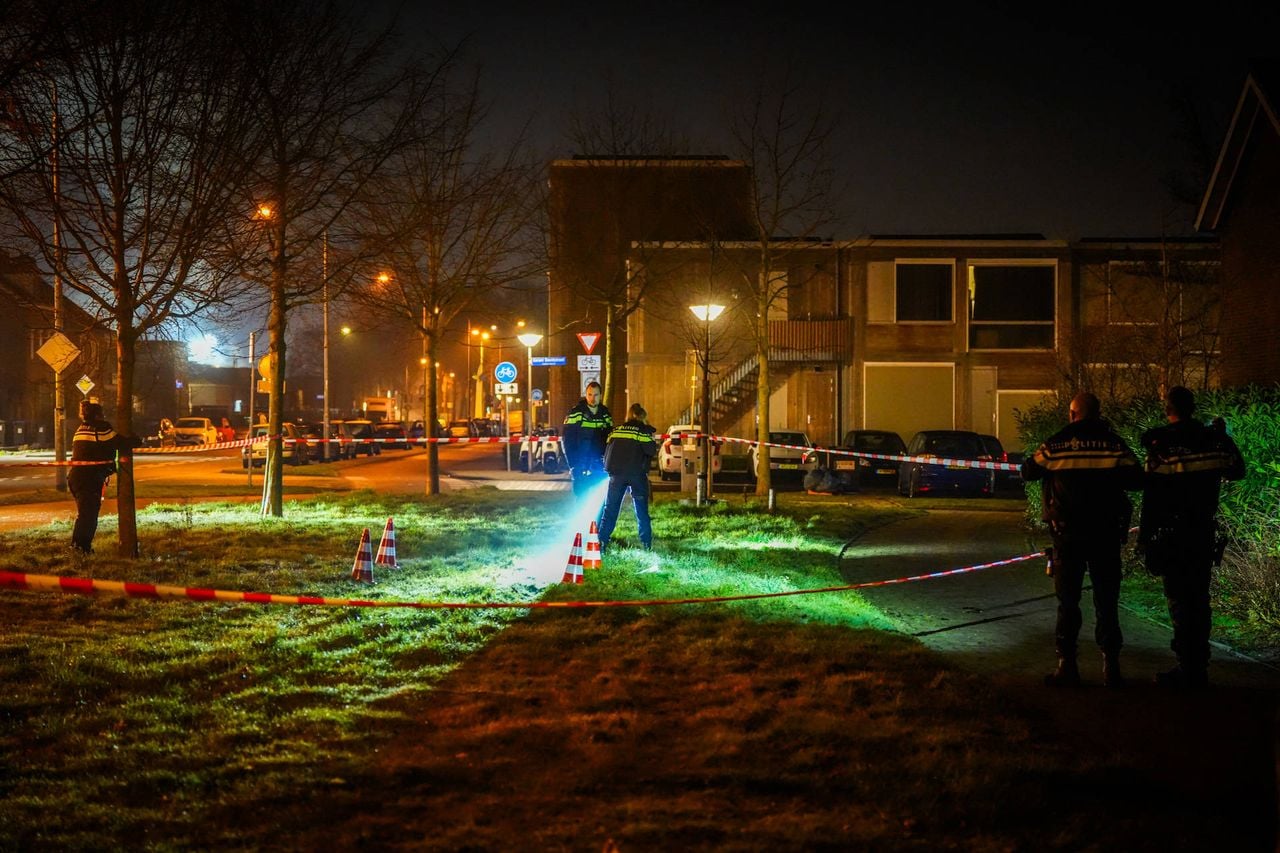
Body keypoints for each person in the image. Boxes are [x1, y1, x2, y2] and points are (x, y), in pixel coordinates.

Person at [1022, 392, 1142, 687]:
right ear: (1098, 413)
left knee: (1068, 601)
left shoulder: (1057, 443)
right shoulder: (1113, 443)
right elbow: (1137, 480)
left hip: (1068, 535)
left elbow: (1028, 471)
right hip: (1105, 534)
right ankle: (1111, 668)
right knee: (1107, 600)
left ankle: (1067, 665)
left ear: (1073, 414)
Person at [1138, 386, 1245, 689]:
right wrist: (1224, 437)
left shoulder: (1162, 445)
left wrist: (1144, 540)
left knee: (1179, 601)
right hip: (1202, 533)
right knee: (1199, 599)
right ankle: (1199, 666)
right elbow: (1238, 471)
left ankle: (1187, 668)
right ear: (1193, 407)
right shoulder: (1212, 440)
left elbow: (1152, 496)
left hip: (1172, 535)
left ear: (1167, 409)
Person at [68, 400, 141, 554]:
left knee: (85, 513)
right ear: (99, 415)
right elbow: (121, 442)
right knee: (88, 515)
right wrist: (135, 439)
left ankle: (79, 546)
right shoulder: (101, 428)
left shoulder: (82, 428)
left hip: (77, 476)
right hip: (88, 478)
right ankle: (80, 548)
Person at [597, 403, 658, 553]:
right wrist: (650, 435)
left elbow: (607, 449)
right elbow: (651, 450)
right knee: (641, 511)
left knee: (610, 509)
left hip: (616, 475)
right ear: (642, 416)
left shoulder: (616, 431)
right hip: (637, 474)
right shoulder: (642, 432)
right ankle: (646, 544)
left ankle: (601, 542)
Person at [561, 380, 613, 499]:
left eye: (595, 395)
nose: (592, 398)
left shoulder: (605, 414)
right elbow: (567, 440)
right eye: (589, 394)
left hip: (599, 461)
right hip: (581, 460)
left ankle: (597, 518)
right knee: (581, 493)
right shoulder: (576, 413)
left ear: (601, 395)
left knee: (600, 493)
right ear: (586, 395)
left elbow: (610, 439)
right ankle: (584, 516)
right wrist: (572, 464)